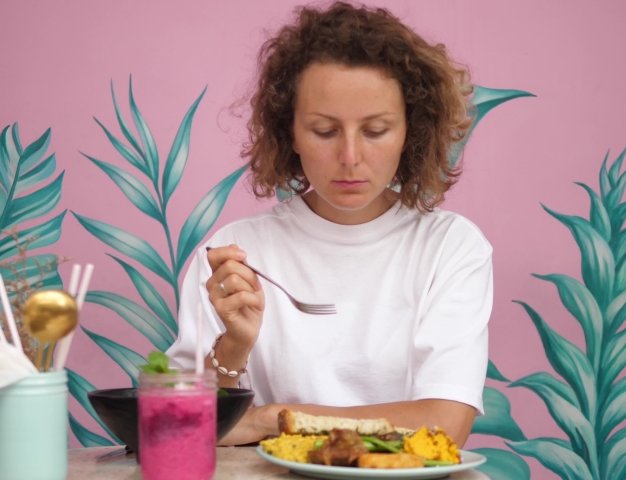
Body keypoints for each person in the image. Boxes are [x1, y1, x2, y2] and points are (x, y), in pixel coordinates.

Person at [166, 1, 491, 448]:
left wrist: (272, 418)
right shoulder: (235, 253)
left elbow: (445, 424)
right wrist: (233, 350)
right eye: (324, 130)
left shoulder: (451, 248)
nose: (351, 158)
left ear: (409, 132)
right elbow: (180, 425)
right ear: (291, 132)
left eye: (375, 130)